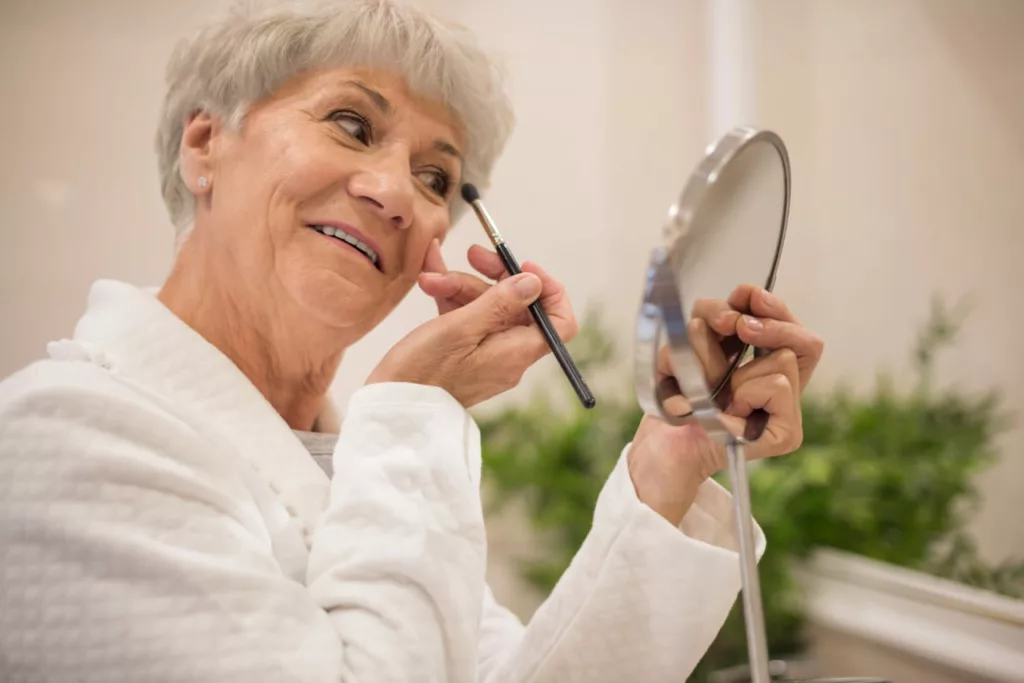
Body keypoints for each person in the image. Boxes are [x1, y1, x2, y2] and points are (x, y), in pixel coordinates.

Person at [0, 1, 824, 681]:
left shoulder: (349, 461)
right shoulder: (57, 437)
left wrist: (669, 463)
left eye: (436, 176)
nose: (397, 192)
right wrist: (414, 405)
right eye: (351, 123)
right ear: (205, 144)